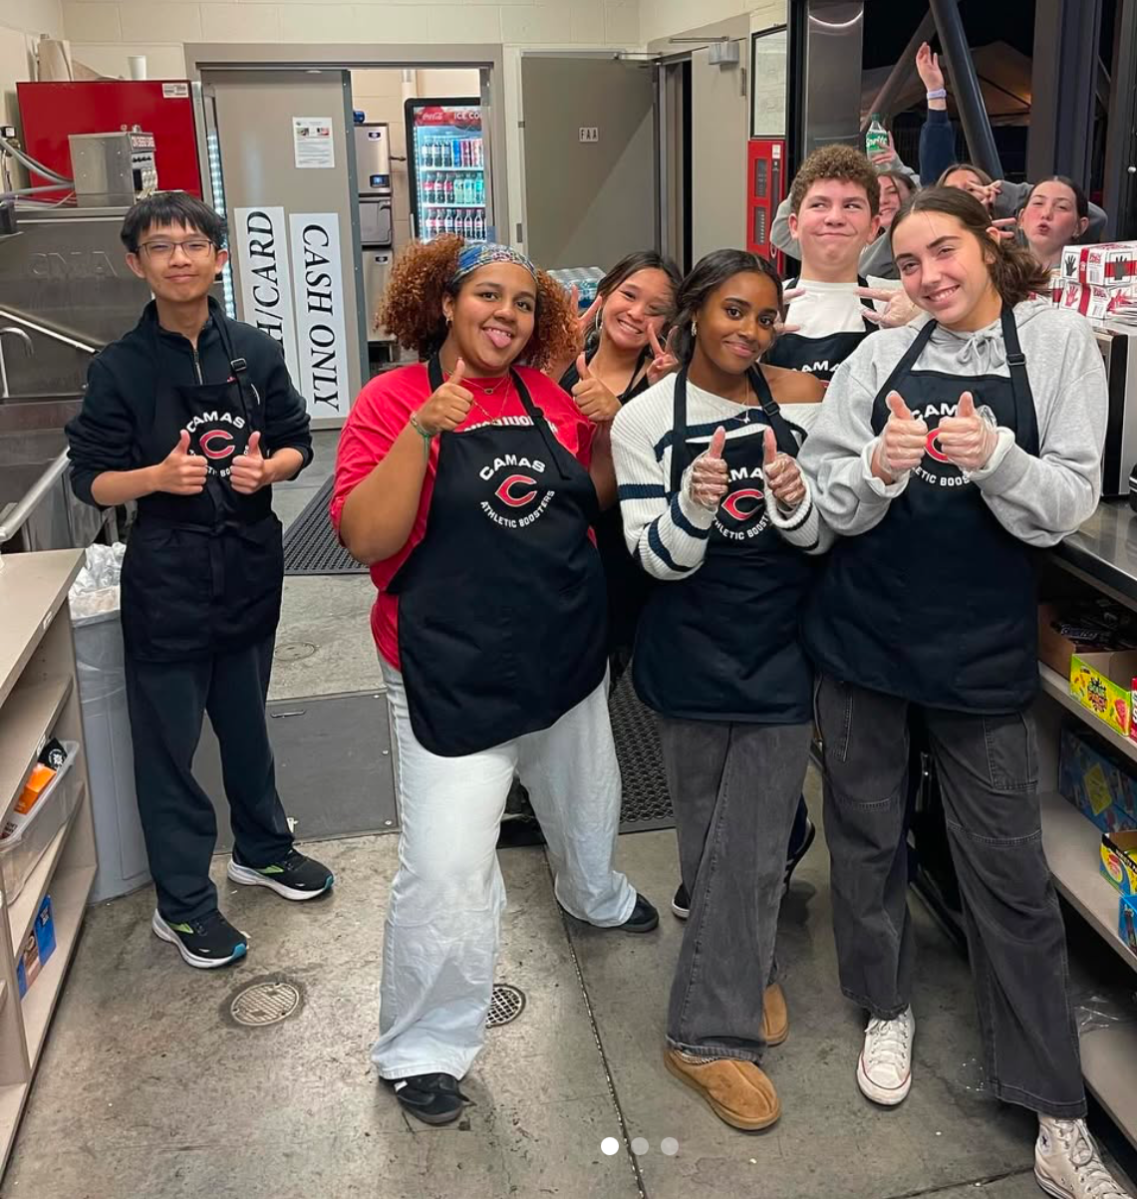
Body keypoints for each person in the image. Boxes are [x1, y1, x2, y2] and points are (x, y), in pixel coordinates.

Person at [798, 187, 1130, 1200]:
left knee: (1011, 875)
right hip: (863, 639)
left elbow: (1069, 497)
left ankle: (1054, 1110)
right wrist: (878, 467)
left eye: (943, 250)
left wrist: (997, 459)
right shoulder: (876, 357)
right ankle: (885, 1004)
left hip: (979, 651)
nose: (930, 275)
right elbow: (824, 494)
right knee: (866, 839)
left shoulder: (1060, 341)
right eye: (908, 263)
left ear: (989, 243)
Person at [332, 237, 657, 1128]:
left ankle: (593, 897)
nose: (504, 314)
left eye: (521, 302)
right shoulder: (390, 399)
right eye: (486, 295)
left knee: (589, 800)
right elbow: (366, 537)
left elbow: (581, 496)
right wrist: (419, 432)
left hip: (561, 652)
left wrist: (606, 427)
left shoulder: (548, 396)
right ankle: (423, 1046)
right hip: (449, 671)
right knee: (445, 869)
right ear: (444, 303)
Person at [66, 193, 333, 970]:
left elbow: (295, 442)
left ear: (221, 257)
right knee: (169, 747)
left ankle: (264, 849)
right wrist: (152, 475)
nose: (179, 258)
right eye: (160, 247)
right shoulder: (119, 369)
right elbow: (90, 482)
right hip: (170, 573)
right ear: (136, 264)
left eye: (193, 244)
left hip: (249, 560)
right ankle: (182, 903)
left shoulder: (253, 347)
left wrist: (269, 469)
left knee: (248, 723)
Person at [611, 249, 826, 1131]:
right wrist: (694, 503)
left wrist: (789, 496)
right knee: (706, 848)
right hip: (688, 651)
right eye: (733, 311)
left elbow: (816, 542)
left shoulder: (798, 405)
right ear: (695, 314)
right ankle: (749, 959)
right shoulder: (643, 420)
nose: (749, 330)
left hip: (780, 650)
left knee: (754, 834)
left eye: (765, 316)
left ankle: (702, 1032)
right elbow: (652, 559)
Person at [556, 251, 682, 681]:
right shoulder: (561, 360)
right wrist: (550, 361)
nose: (636, 313)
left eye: (656, 310)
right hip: (542, 559)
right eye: (628, 295)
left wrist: (622, 416)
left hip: (611, 571)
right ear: (605, 292)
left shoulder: (661, 384)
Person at [768, 144, 912, 384]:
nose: (835, 218)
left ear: (873, 227)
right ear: (793, 225)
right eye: (819, 205)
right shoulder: (767, 306)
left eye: (851, 206)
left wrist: (924, 314)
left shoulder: (899, 301)